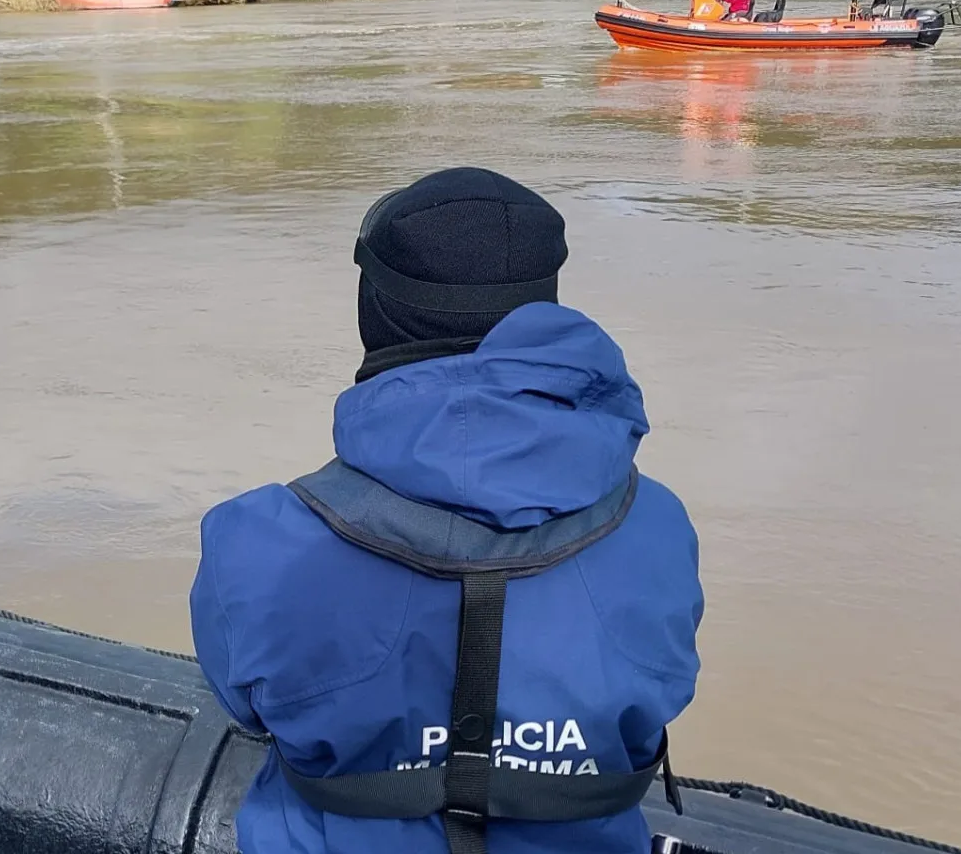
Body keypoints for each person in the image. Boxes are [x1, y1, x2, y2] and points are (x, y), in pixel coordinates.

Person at [191, 167, 703, 854]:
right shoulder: (660, 528)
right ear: (542, 308)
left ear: (378, 313)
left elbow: (245, 706)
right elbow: (646, 716)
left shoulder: (252, 542)